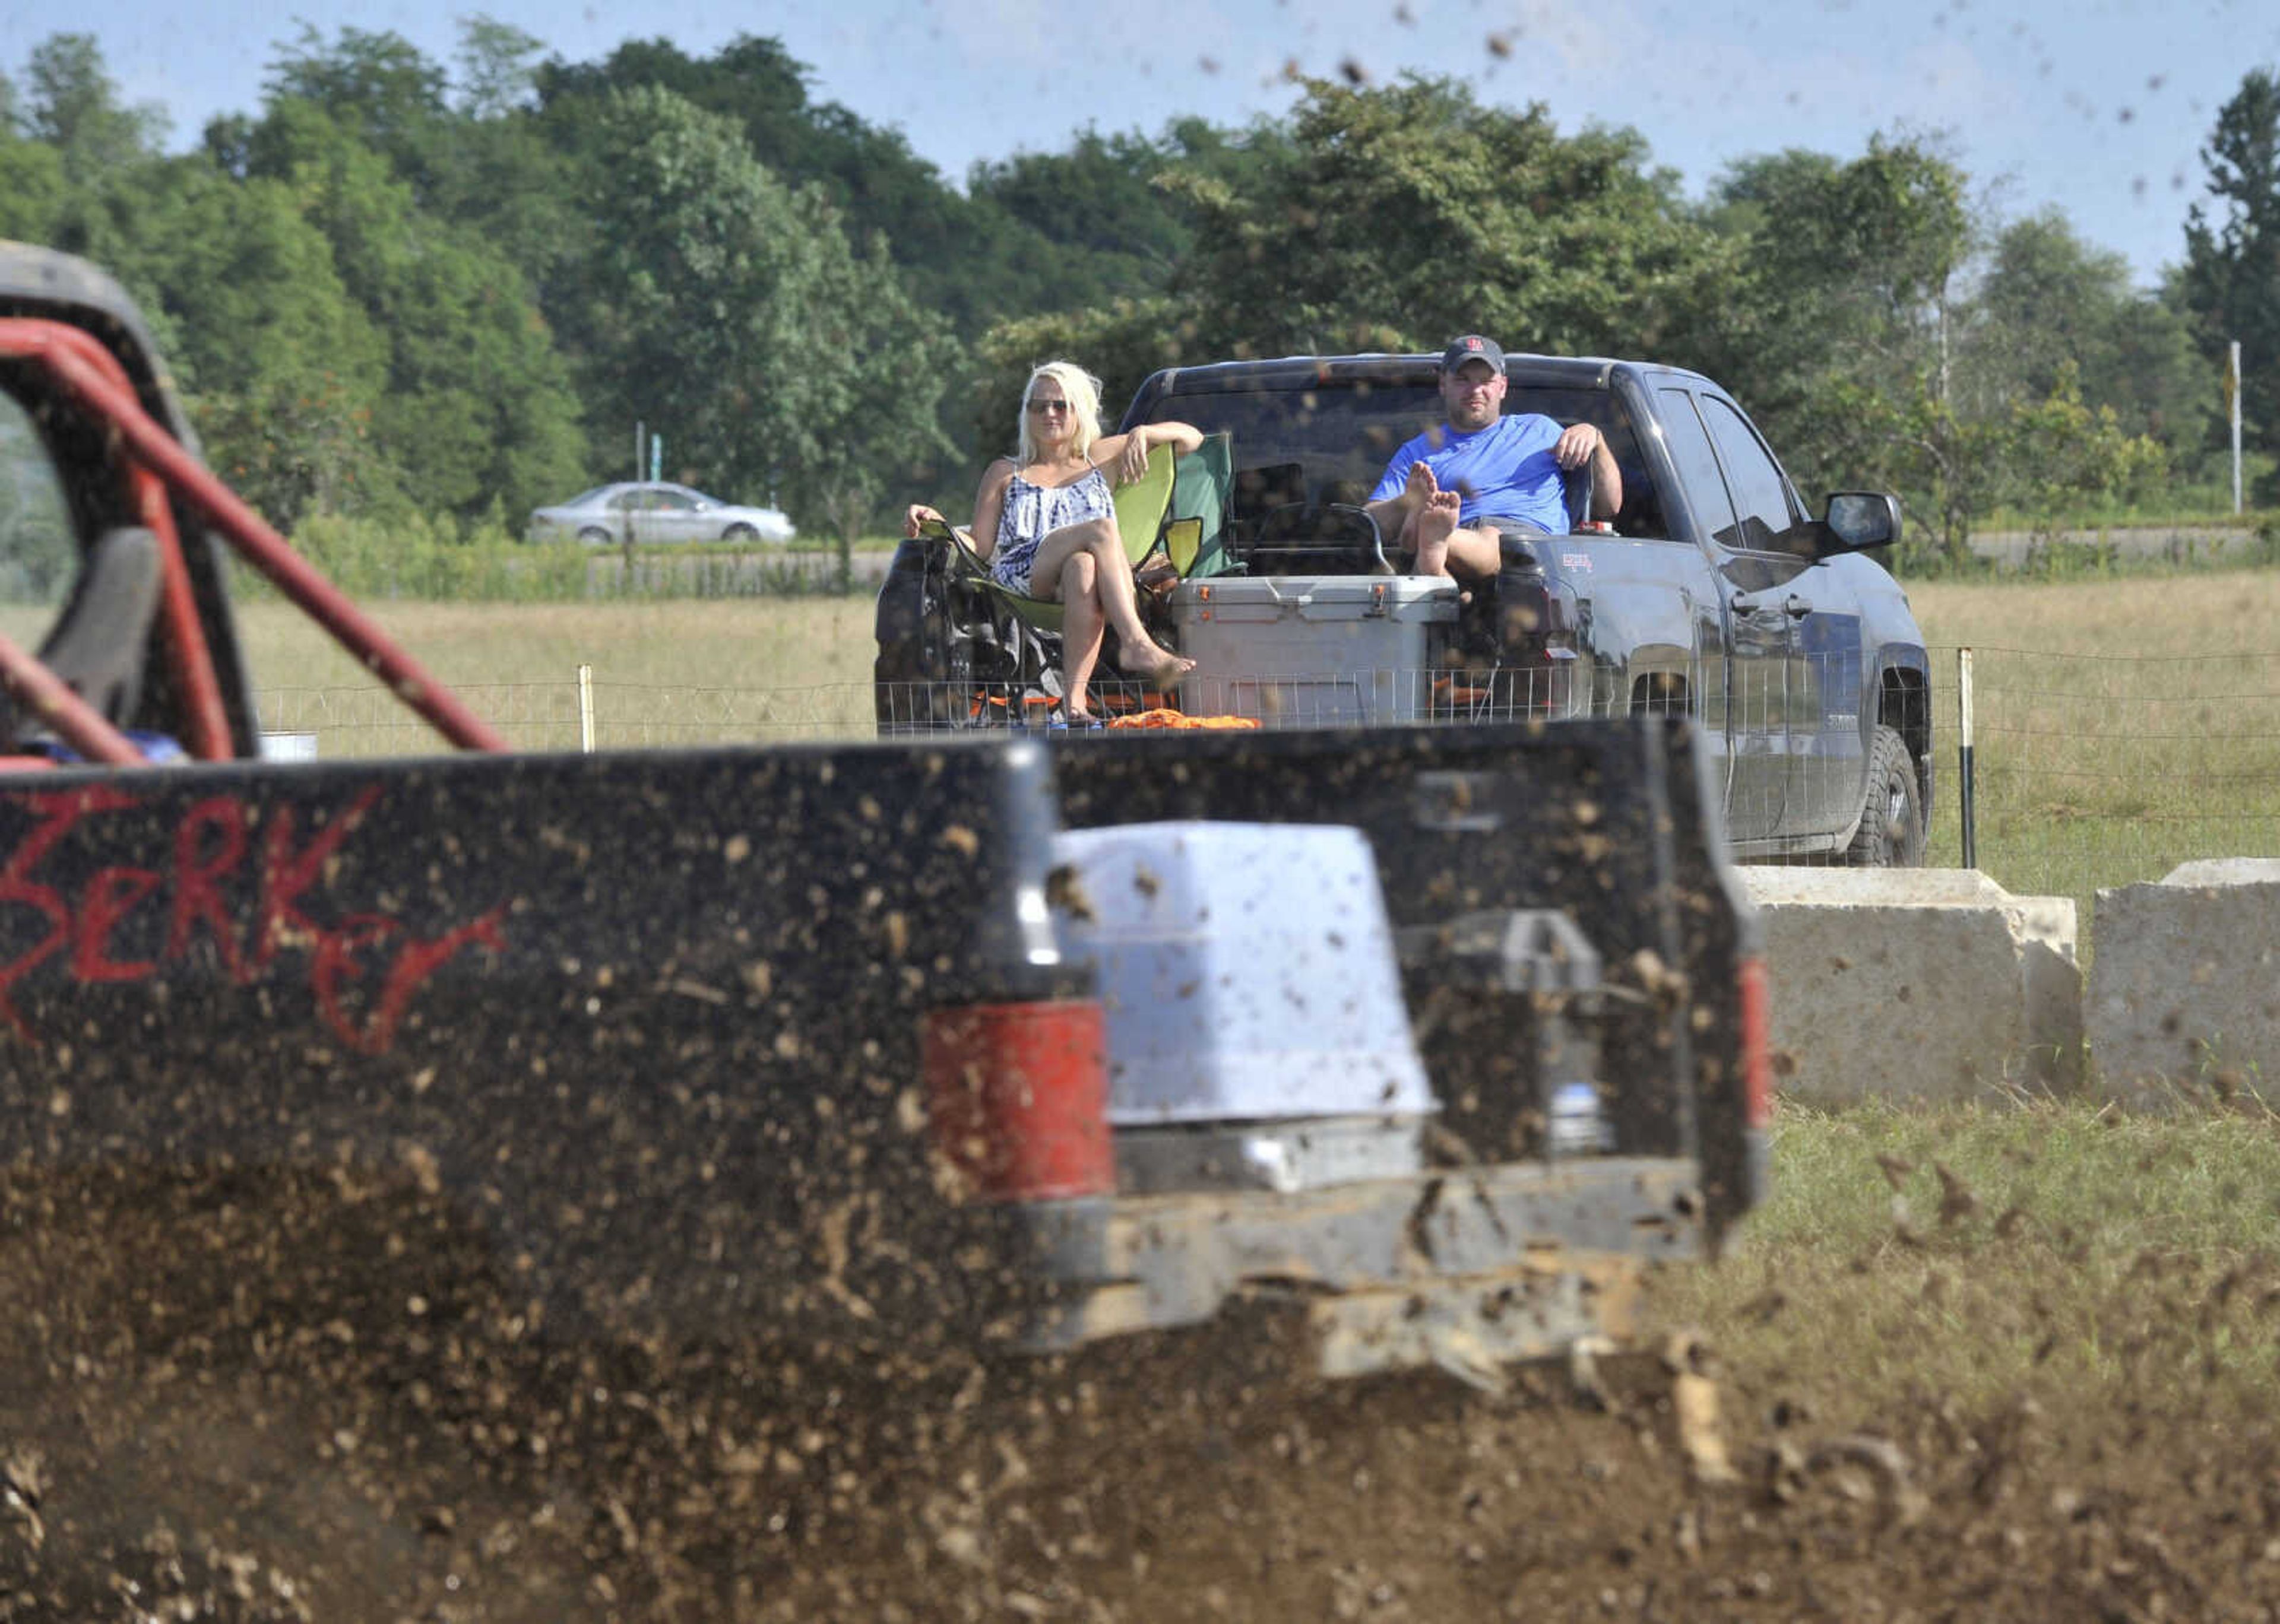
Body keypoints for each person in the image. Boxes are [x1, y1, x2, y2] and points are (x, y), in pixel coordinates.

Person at [906, 361, 1199, 721]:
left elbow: (1191, 438)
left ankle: (1074, 703)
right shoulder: (1006, 471)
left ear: (1079, 410)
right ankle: (1136, 642)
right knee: (1104, 529)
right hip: (1023, 573)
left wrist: (1145, 433)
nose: (1049, 413)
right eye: (1039, 405)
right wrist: (941, 524)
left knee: (1084, 564)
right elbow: (980, 546)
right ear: (1027, 413)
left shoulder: (1102, 458)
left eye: (1061, 405)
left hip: (1079, 584)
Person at [1364, 335, 1623, 583]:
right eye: (1462, 380)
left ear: (1503, 387)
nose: (1475, 390)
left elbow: (1610, 506)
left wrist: (1597, 441)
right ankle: (1436, 550)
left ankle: (1434, 537)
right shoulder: (1417, 452)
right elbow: (1370, 524)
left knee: (1488, 538)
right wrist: (1409, 501)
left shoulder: (1542, 430)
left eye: (1486, 381)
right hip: (1458, 542)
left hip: (1530, 550)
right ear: (1443, 384)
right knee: (1434, 562)